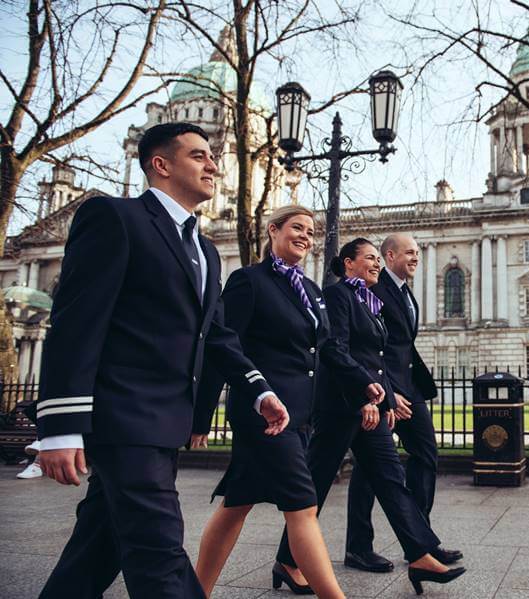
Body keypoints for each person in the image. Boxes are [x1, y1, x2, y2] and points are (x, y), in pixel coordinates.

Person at [35, 122, 289, 599]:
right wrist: (60, 426)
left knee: (96, 549)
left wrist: (259, 389)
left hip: (163, 423)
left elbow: (216, 333)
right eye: (198, 155)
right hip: (123, 419)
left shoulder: (205, 249)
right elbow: (76, 322)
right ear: (161, 164)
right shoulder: (114, 217)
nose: (213, 165)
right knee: (160, 554)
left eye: (213, 156)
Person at [275, 238, 465, 595]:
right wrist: (364, 391)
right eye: (370, 258)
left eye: (379, 259)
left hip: (369, 405)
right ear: (348, 263)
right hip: (340, 407)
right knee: (316, 482)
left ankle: (420, 555)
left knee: (391, 477)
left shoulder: (368, 301)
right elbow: (334, 349)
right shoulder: (338, 296)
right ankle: (287, 560)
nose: (377, 264)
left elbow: (377, 359)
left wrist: (385, 399)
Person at [190, 206, 344, 597]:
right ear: (273, 230)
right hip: (265, 418)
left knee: (236, 504)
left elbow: (324, 352)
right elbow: (223, 347)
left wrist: (363, 390)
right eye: (297, 227)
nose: (306, 236)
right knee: (303, 506)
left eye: (311, 232)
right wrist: (201, 416)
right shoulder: (249, 281)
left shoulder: (311, 292)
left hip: (301, 417)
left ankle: (195, 593)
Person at [344, 233, 462, 572]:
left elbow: (402, 345)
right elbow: (370, 348)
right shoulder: (374, 289)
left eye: (418, 252)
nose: (416, 258)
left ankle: (422, 542)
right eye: (409, 252)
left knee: (425, 455)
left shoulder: (405, 292)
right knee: (368, 468)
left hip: (410, 388)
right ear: (390, 255)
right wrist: (388, 393)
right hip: (386, 391)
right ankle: (359, 547)